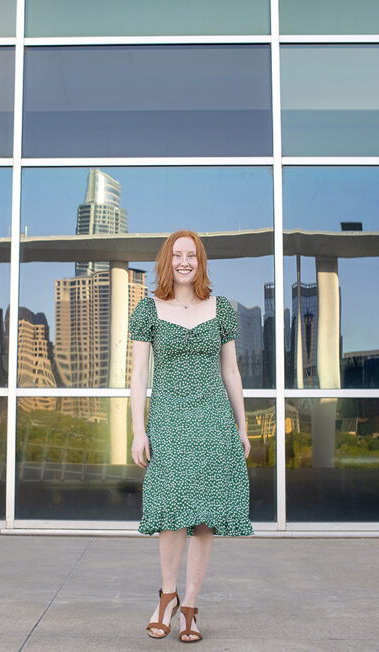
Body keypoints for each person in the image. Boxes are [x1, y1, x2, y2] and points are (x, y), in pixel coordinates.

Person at [129, 229, 252, 643]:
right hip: (168, 420)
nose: (184, 261)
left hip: (214, 421)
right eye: (177, 254)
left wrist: (242, 424)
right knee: (170, 514)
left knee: (203, 520)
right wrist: (137, 430)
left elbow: (231, 371)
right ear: (167, 260)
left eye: (192, 255)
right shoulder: (147, 310)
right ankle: (166, 596)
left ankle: (191, 609)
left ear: (201, 261)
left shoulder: (222, 309)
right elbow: (139, 375)